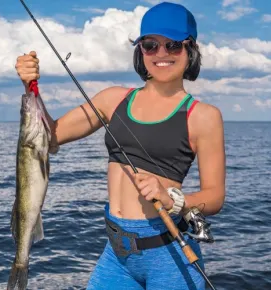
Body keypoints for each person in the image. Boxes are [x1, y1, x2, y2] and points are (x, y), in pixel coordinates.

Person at [15, 1, 225, 289]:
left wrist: (172, 199)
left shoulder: (204, 116)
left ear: (191, 50)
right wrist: (30, 87)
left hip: (170, 256)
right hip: (116, 255)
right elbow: (49, 138)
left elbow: (214, 197)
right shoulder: (112, 99)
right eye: (150, 44)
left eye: (173, 45)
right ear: (140, 51)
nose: (161, 53)